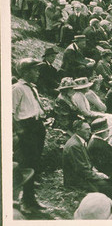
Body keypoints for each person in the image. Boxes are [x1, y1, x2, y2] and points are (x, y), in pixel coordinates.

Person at [12, 58, 47, 213]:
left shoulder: (32, 88)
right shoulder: (17, 89)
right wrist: (19, 131)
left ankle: (31, 199)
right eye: (35, 70)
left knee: (34, 163)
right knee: (27, 164)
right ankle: (24, 202)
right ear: (25, 72)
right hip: (26, 129)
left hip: (37, 126)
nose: (38, 73)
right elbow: (10, 112)